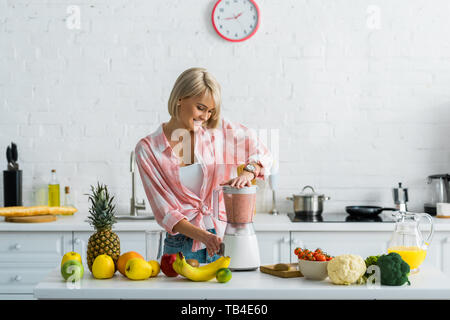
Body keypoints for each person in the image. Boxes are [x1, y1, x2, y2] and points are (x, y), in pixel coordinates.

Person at [135, 67, 272, 263]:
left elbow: (262, 151)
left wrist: (248, 173)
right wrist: (204, 237)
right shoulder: (148, 149)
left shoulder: (218, 131)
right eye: (200, 108)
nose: (205, 117)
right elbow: (165, 212)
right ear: (180, 98)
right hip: (181, 247)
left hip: (225, 238)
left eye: (210, 111)